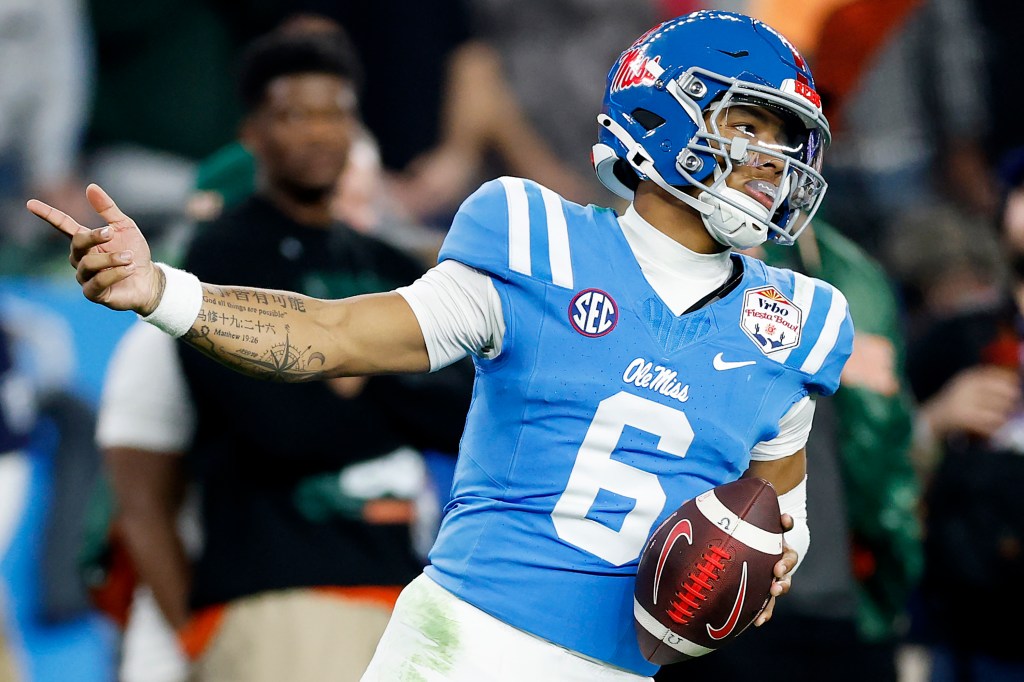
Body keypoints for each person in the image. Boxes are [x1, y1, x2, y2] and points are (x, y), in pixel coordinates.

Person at [30, 10, 854, 681]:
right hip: (465, 647)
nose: (771, 164)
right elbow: (333, 333)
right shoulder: (538, 242)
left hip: (625, 672)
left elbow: (777, 521)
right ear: (662, 113)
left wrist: (762, 569)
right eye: (748, 126)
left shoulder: (796, 323)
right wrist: (165, 290)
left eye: (786, 141)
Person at [91, 28, 472, 682]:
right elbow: (278, 428)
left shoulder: (387, 263)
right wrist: (390, 373)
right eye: (295, 114)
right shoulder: (222, 259)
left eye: (335, 113)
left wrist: (350, 377)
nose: (320, 132)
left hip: (406, 591)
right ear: (254, 133)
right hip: (276, 589)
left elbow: (463, 414)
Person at [656, 218, 923, 682]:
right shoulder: (653, 255)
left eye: (782, 140)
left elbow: (890, 443)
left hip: (843, 601)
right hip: (709, 594)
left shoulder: (848, 273)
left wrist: (890, 575)